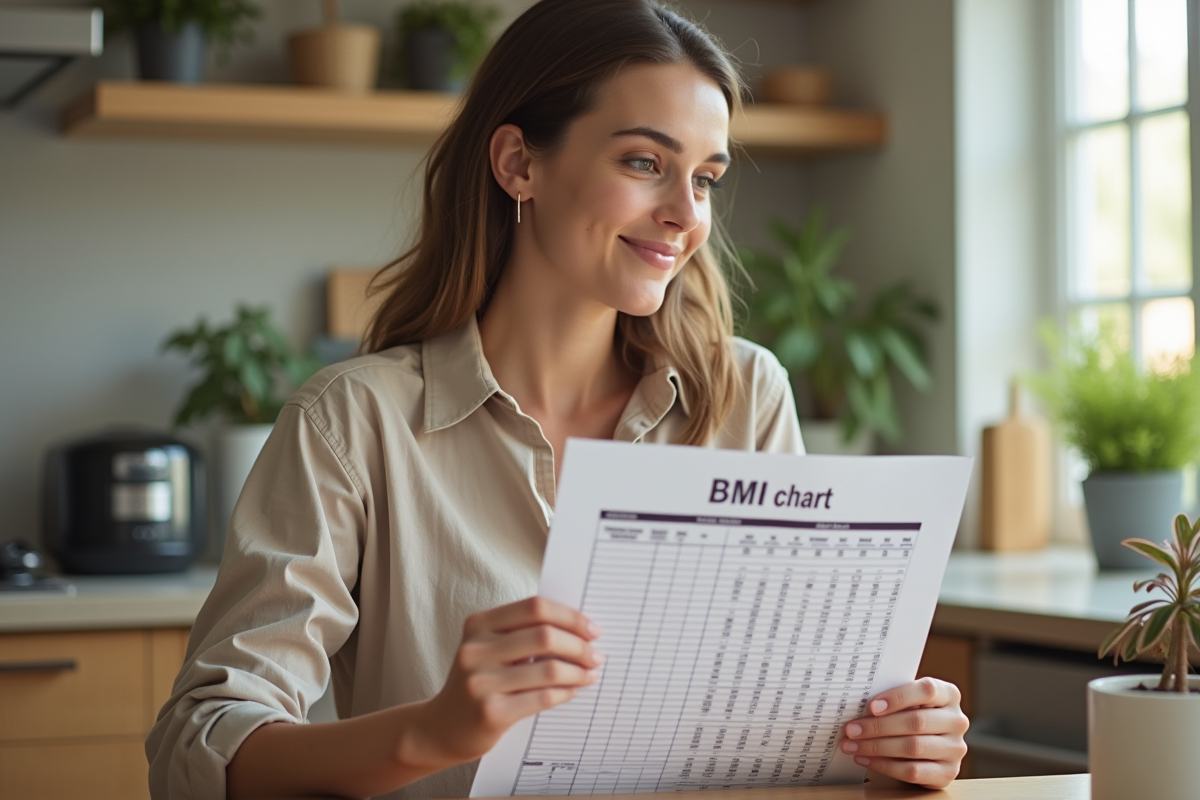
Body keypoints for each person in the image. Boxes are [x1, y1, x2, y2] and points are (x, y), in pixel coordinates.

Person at [145, 1, 969, 798]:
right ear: (519, 164)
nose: (685, 215)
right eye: (644, 163)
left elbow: (785, 716)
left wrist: (889, 742)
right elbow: (198, 745)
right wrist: (432, 731)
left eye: (705, 178)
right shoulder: (352, 423)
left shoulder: (745, 396)